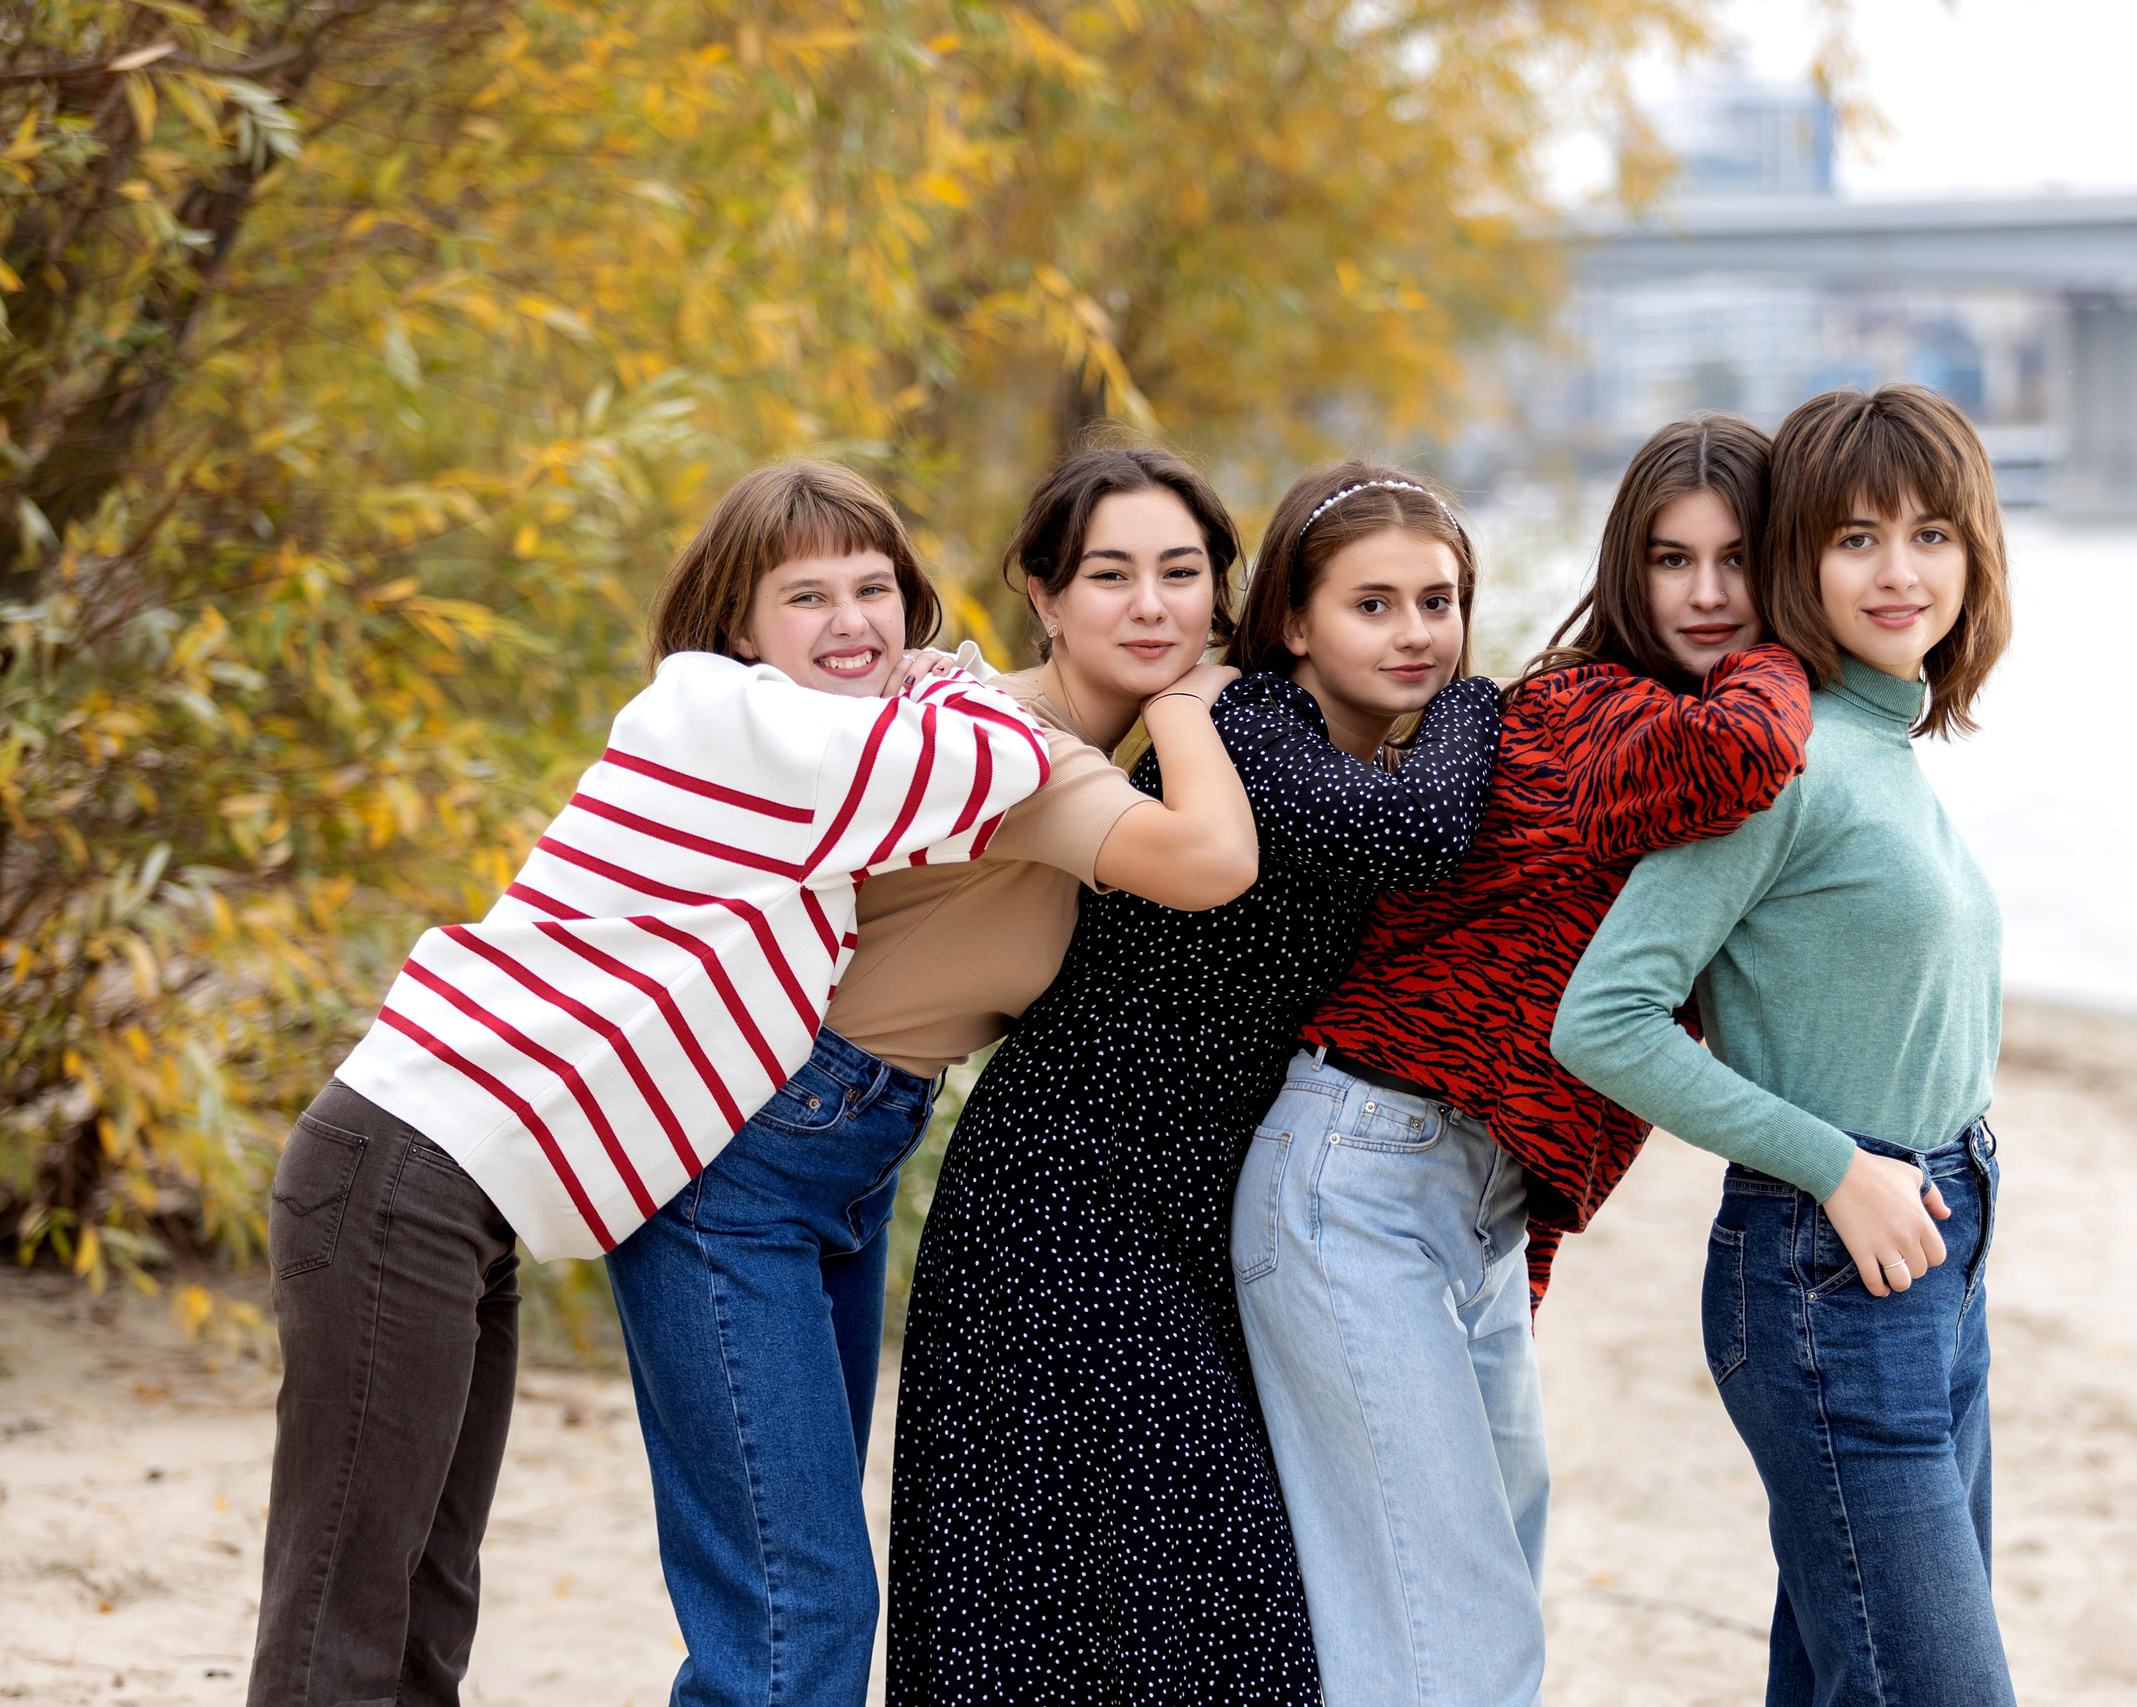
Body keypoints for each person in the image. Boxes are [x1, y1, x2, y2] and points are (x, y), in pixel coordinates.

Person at [246, 460, 1048, 1707]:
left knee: (425, 1583)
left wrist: (940, 688)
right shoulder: (717, 721)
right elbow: (1004, 769)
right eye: (808, 597)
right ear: (735, 624)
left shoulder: (818, 755)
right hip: (397, 1171)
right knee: (350, 1589)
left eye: (875, 590)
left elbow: (951, 789)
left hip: (456, 1198)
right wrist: (959, 684)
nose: (853, 623)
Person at [602, 445, 1262, 1706]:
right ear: (1041, 589)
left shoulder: (992, 723)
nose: (1153, 607)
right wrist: (1188, 703)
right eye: (1112, 573)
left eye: (1182, 575)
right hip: (743, 1164)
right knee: (796, 1613)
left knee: (791, 1593)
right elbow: (1206, 861)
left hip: (843, 1158)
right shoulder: (994, 743)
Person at [887, 458, 1500, 1705]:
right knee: (1187, 1600)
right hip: (1069, 1206)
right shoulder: (1252, 731)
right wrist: (1486, 700)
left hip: (1190, 1218)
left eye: (1438, 605)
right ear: (1288, 620)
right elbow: (1418, 833)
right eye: (1373, 604)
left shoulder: (1310, 742)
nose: (1416, 635)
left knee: (1129, 1599)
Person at [1240, 414, 1813, 1706]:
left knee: (1481, 1575)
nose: (1711, 595)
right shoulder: (1586, 710)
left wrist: (1522, 1249)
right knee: (1455, 1627)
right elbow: (1745, 747)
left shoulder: (1664, 726)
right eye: (1674, 559)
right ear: (1627, 567)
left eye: (1742, 560)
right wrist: (1802, 643)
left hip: (1467, 1207)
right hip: (1363, 1176)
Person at [1552, 384, 2017, 1707]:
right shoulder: (1779, 753)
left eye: (1932, 533)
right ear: (1803, 558)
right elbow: (1604, 1016)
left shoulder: (1882, 737)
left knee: (1837, 1675)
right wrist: (1832, 1160)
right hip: (1830, 1268)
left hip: (1940, 1239)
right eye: (1855, 536)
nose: (1898, 568)